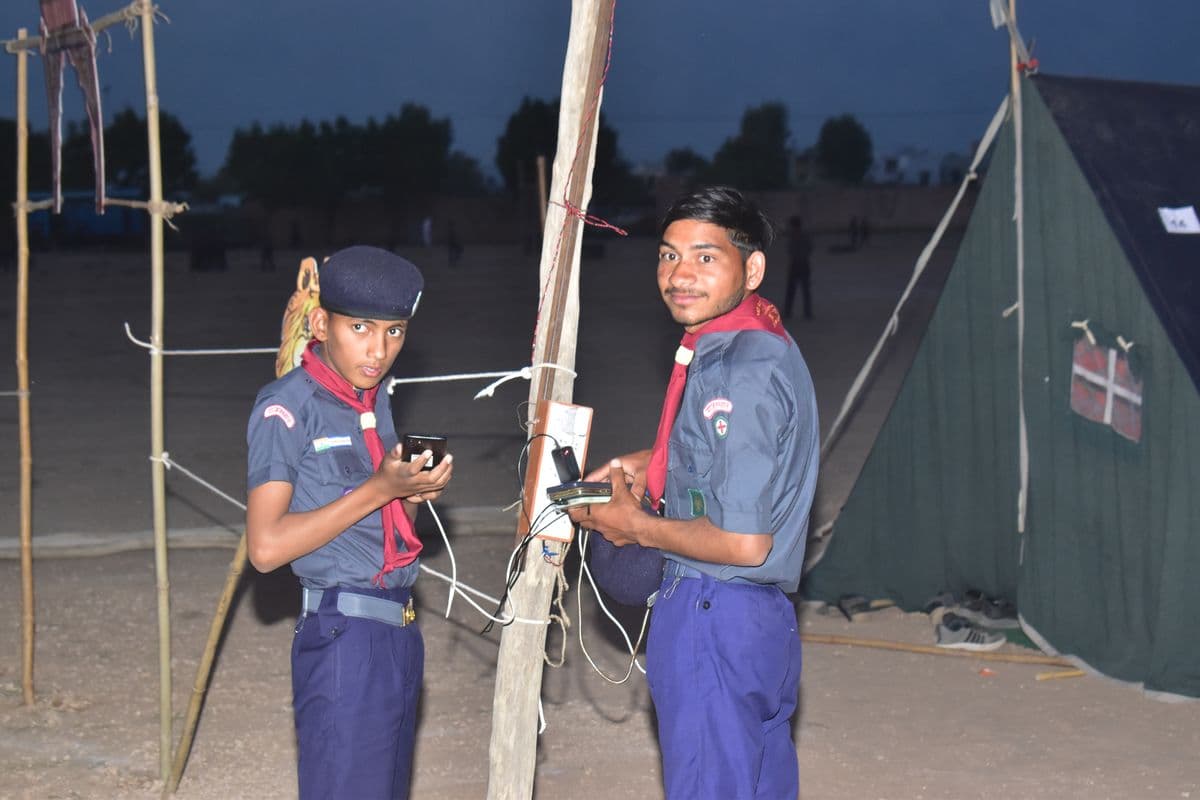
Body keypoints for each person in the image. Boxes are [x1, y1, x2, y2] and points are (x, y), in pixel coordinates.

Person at [568, 186, 819, 799]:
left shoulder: (736, 371)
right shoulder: (758, 343)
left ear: (751, 267)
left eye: (706, 257)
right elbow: (737, 457)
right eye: (667, 255)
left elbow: (742, 541)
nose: (680, 275)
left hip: (715, 613)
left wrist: (634, 527)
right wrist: (645, 462)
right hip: (760, 624)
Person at [245, 245, 454, 800]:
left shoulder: (373, 399)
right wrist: (379, 488)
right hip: (342, 635)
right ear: (320, 323)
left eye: (394, 331)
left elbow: (378, 521)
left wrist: (410, 493)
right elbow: (265, 548)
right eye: (360, 327)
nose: (378, 348)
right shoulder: (285, 408)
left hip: (398, 630)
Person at [783, 214, 813, 320]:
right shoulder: (804, 235)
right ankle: (807, 312)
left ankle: (788, 311)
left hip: (796, 264)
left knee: (792, 290)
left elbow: (790, 250)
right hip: (803, 264)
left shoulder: (794, 236)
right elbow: (809, 248)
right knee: (805, 290)